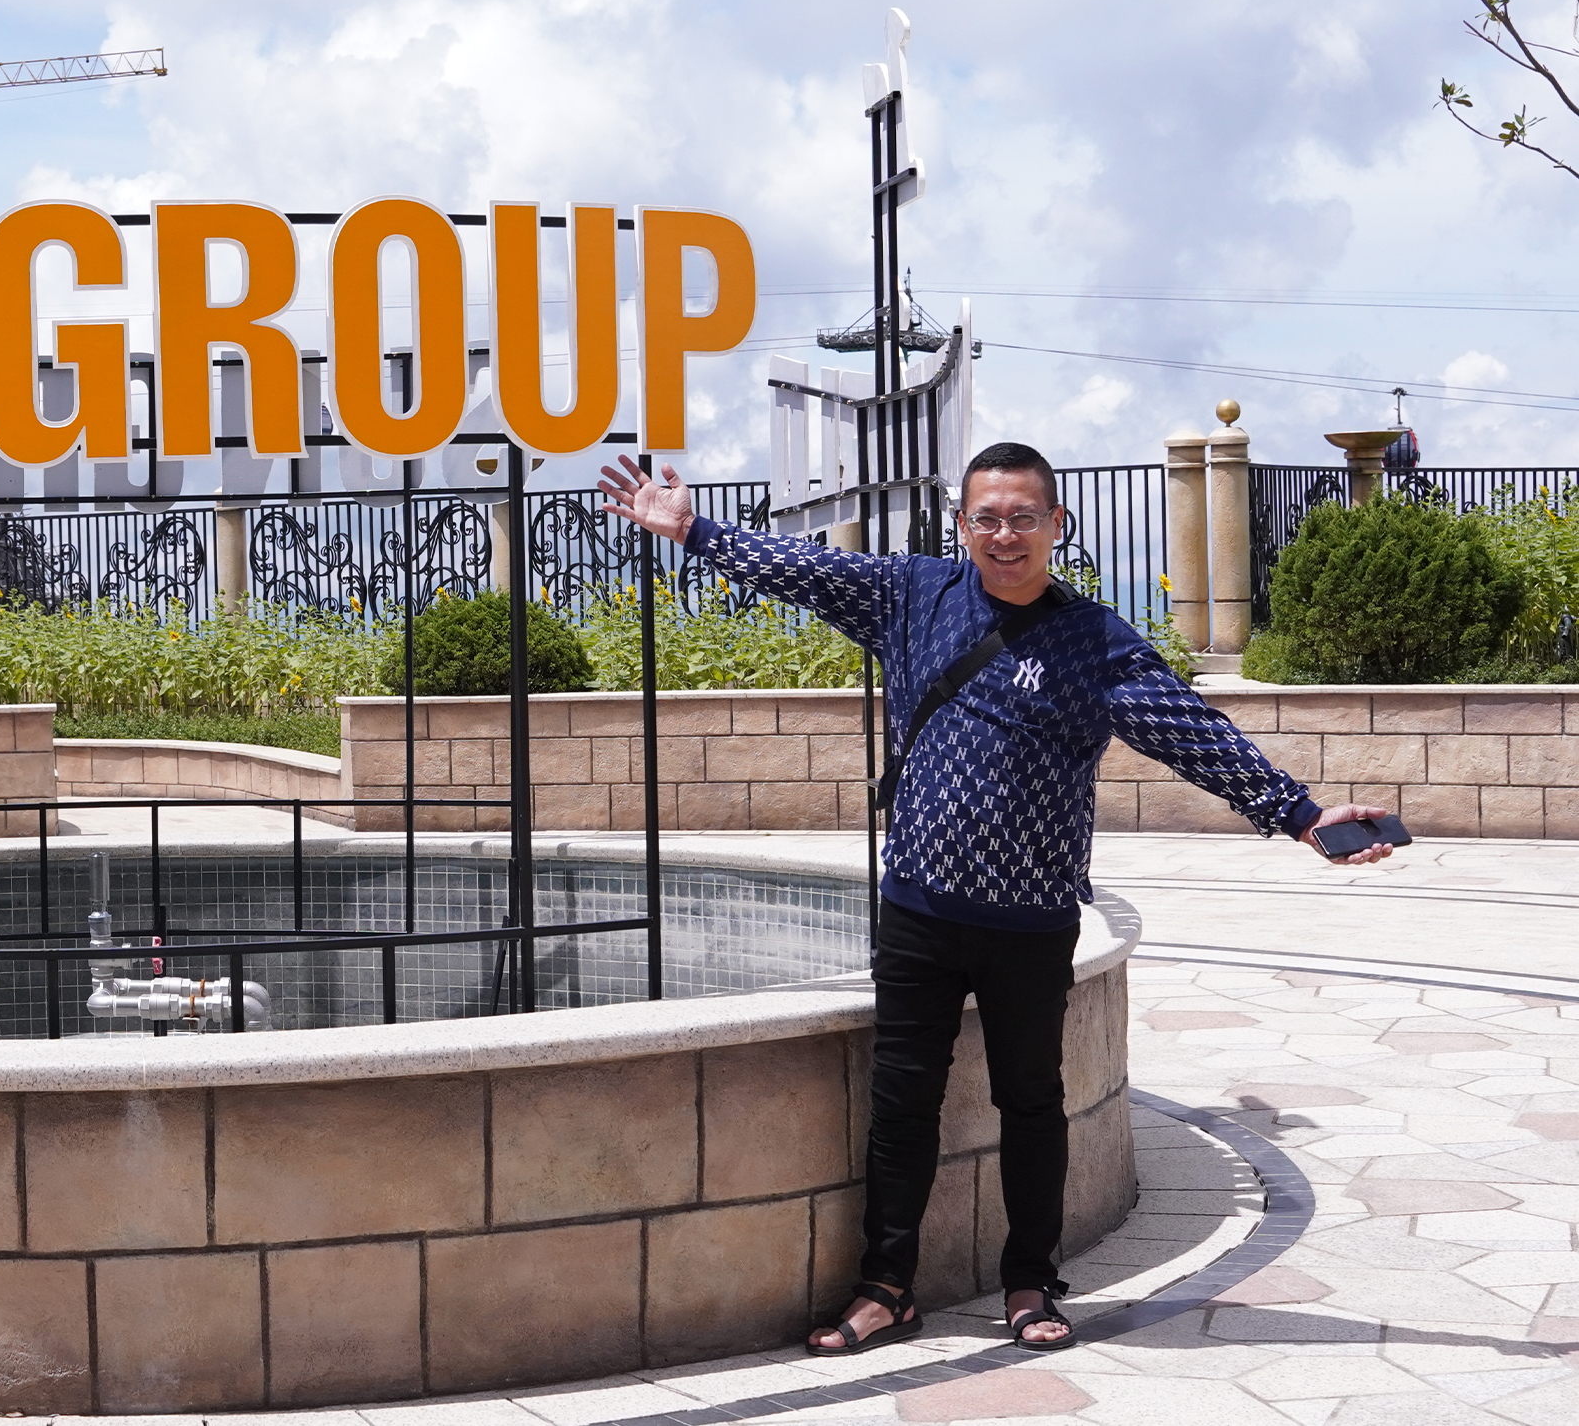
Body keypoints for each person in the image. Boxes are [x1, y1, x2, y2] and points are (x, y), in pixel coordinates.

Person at [594, 442, 1394, 1356]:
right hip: (919, 911)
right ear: (962, 524)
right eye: (987, 517)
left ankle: (1031, 1282)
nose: (1004, 534)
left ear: (1056, 525)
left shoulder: (1095, 643)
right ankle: (885, 1288)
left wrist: (1299, 815)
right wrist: (692, 529)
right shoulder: (911, 596)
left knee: (1031, 1104)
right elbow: (803, 571)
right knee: (902, 1106)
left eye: (1022, 518)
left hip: (1030, 922)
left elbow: (1192, 733)